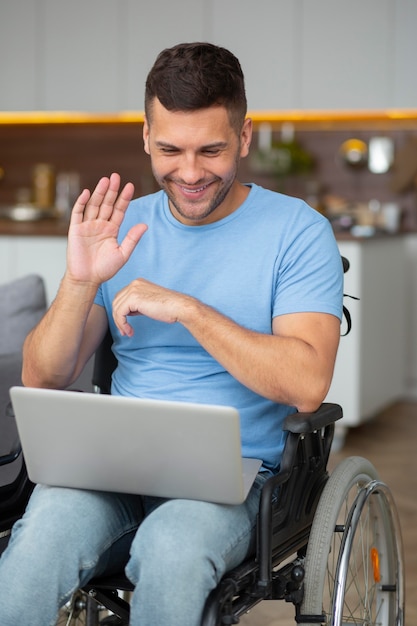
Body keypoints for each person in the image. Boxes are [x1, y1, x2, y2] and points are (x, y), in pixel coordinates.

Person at [0, 42, 343, 626]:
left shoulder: (298, 232)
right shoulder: (123, 226)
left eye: (211, 149)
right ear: (145, 137)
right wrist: (81, 282)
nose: (189, 173)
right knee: (33, 549)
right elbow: (43, 376)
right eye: (170, 150)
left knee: (172, 550)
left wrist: (190, 310)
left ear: (245, 136)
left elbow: (307, 384)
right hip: (112, 471)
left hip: (234, 483)